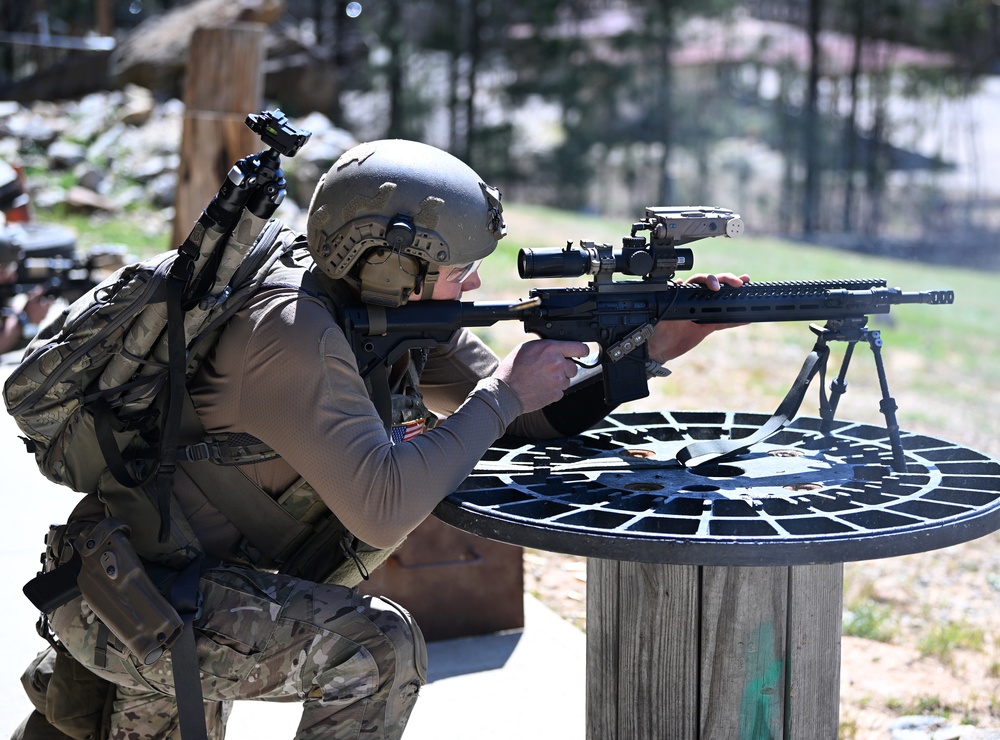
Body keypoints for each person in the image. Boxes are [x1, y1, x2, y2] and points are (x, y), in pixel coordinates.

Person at [15, 139, 748, 740]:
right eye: (460, 273)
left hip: (201, 587)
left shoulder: (389, 318)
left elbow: (520, 418)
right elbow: (384, 506)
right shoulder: (293, 337)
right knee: (375, 648)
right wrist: (503, 395)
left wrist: (648, 353)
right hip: (141, 601)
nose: (468, 289)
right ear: (392, 264)